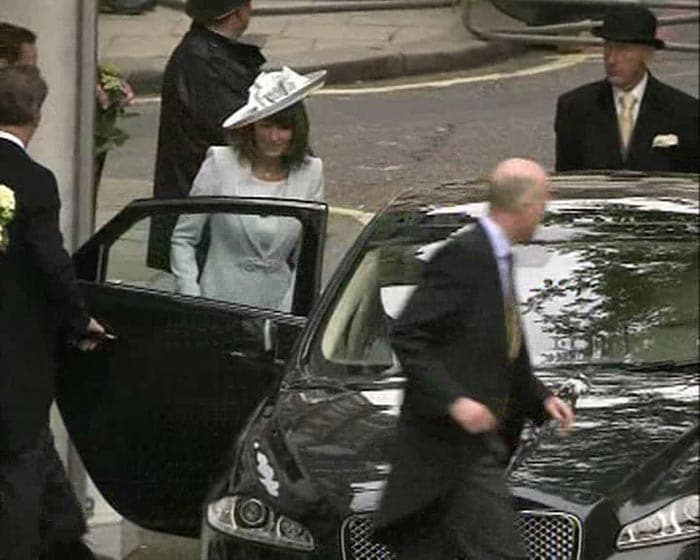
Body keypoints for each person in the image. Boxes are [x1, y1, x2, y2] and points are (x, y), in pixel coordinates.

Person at [373, 158, 575, 560]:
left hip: (475, 447)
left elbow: (502, 346)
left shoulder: (497, 256)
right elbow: (410, 334)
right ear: (522, 206)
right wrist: (456, 401)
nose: (543, 214)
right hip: (454, 449)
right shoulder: (464, 255)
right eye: (541, 204)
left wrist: (539, 398)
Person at [0, 65, 106, 560]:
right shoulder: (33, 181)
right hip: (14, 354)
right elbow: (50, 262)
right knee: (20, 462)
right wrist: (79, 319)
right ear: (36, 115)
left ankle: (66, 537)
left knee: (34, 455)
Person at [170, 67, 325, 312]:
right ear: (251, 127)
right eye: (266, 126)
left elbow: (308, 255)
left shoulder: (312, 171)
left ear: (297, 130)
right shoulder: (220, 163)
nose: (274, 137)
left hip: (278, 311)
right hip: (217, 305)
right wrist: (191, 296)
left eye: (284, 128)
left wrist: (289, 309)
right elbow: (184, 239)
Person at [148, 0, 265, 269]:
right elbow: (234, 124)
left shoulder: (205, 53)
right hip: (205, 205)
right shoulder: (205, 62)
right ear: (238, 12)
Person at [555, 5, 699, 173]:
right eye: (608, 47)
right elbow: (566, 181)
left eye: (624, 49)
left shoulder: (686, 111)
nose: (612, 59)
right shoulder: (574, 108)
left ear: (648, 53)